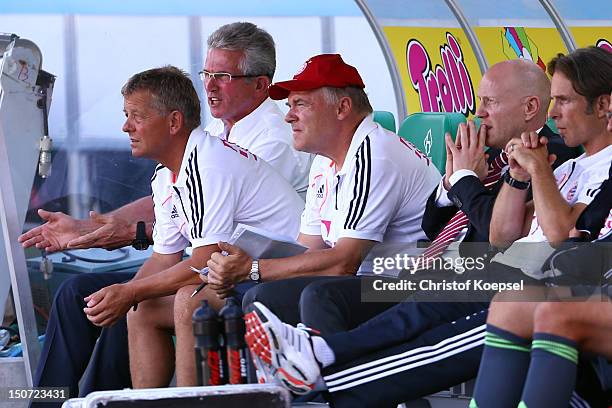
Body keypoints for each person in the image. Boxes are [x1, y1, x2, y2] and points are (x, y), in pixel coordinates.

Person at [243, 47, 612, 408]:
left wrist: (475, 179)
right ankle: (319, 361)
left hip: (497, 275)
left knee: (421, 304)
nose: (477, 113)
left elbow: (540, 235)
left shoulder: (555, 155)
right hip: (460, 269)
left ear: (603, 106)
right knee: (284, 297)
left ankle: (320, 376)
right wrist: (486, 180)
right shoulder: (560, 167)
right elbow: (447, 225)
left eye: (563, 100)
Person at [20, 21, 309, 398]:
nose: (125, 127)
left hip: (268, 274)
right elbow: (166, 248)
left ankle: (180, 401)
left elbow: (205, 255)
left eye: (224, 76)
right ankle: (90, 401)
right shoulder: (184, 159)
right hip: (227, 270)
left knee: (174, 302)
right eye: (208, 74)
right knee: (127, 302)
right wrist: (127, 288)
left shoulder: (245, 148)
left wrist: (126, 280)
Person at [294, 58, 581, 336]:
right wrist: (448, 183)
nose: (479, 113)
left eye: (490, 102)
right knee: (309, 294)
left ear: (530, 107)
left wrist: (465, 180)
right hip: (422, 275)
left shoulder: (551, 155)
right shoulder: (487, 152)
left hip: (468, 285)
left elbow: (496, 233)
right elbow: (431, 225)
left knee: (322, 295)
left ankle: (336, 376)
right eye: (480, 101)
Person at [203, 53, 441, 327]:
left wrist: (253, 269)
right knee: (252, 295)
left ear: (342, 108)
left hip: (416, 287)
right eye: (289, 105)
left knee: (308, 296)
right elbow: (307, 251)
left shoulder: (375, 155)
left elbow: (344, 264)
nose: (289, 117)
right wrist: (242, 270)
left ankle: (337, 370)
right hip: (368, 281)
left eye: (300, 104)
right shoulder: (324, 162)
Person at [469, 86, 612, 408]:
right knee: (507, 300)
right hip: (511, 270)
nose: (554, 112)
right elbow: (502, 237)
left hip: (543, 278)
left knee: (551, 310)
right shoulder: (570, 167)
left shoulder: (572, 159)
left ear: (603, 107)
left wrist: (466, 181)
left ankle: (335, 372)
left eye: (563, 100)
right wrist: (520, 176)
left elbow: (563, 233)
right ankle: (333, 362)